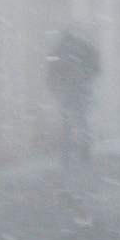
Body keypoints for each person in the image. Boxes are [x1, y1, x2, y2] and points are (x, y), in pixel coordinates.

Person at [47, 28, 101, 167]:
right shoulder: (84, 48)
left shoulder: (59, 49)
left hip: (67, 89)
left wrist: (54, 86)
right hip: (82, 87)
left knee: (67, 119)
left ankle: (67, 148)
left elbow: (52, 70)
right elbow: (96, 67)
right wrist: (88, 77)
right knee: (82, 118)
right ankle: (84, 146)